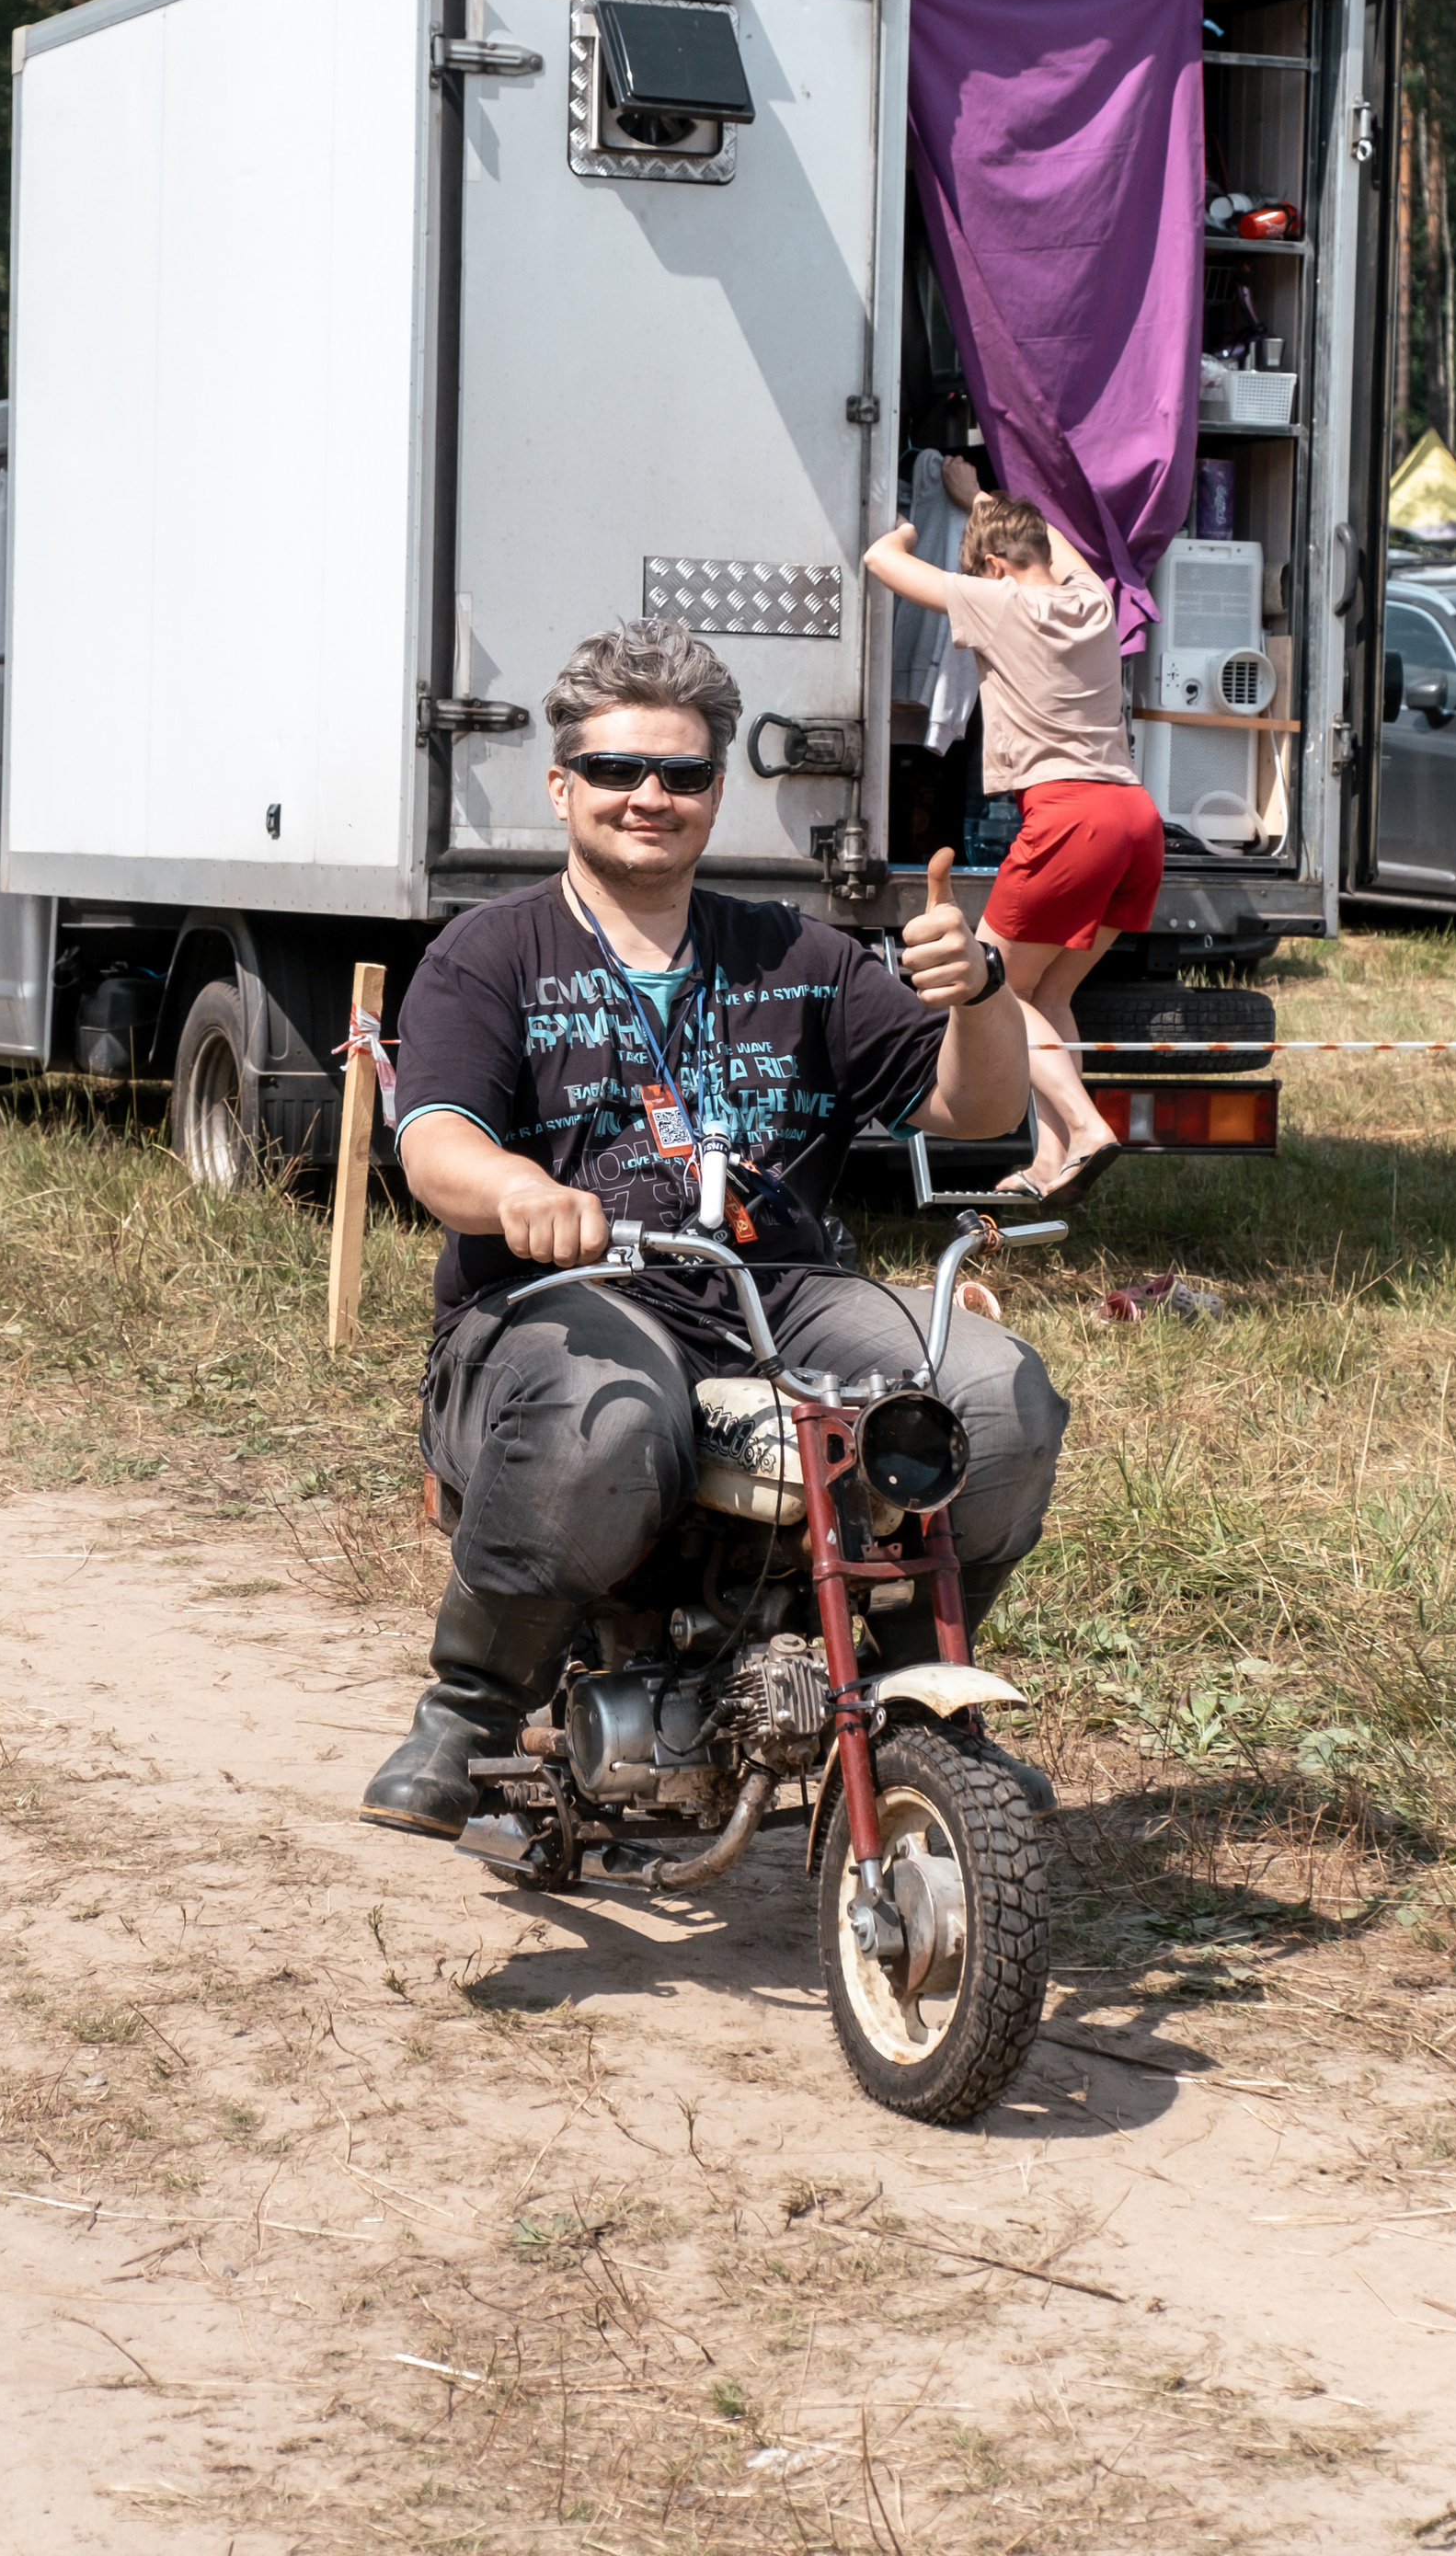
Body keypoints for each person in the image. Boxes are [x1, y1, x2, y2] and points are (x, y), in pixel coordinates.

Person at [361, 617, 1064, 1841]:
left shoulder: (800, 953)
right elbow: (435, 1145)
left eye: (682, 774)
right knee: (613, 1425)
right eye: (619, 770)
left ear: (716, 790)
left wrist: (985, 993)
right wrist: (519, 1192)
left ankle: (906, 1698)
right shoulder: (489, 956)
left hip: (777, 1292)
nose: (651, 797)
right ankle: (467, 1708)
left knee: (997, 1396)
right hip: (560, 1305)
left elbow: (976, 1106)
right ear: (560, 783)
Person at [863, 467, 1165, 1205]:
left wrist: (903, 522)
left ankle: (1089, 1129)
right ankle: (1051, 1158)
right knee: (1048, 991)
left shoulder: (999, 601)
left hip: (1068, 818)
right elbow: (1056, 547)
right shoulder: (1090, 601)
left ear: (994, 569)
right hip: (1134, 819)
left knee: (991, 984)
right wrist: (985, 503)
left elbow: (882, 563)